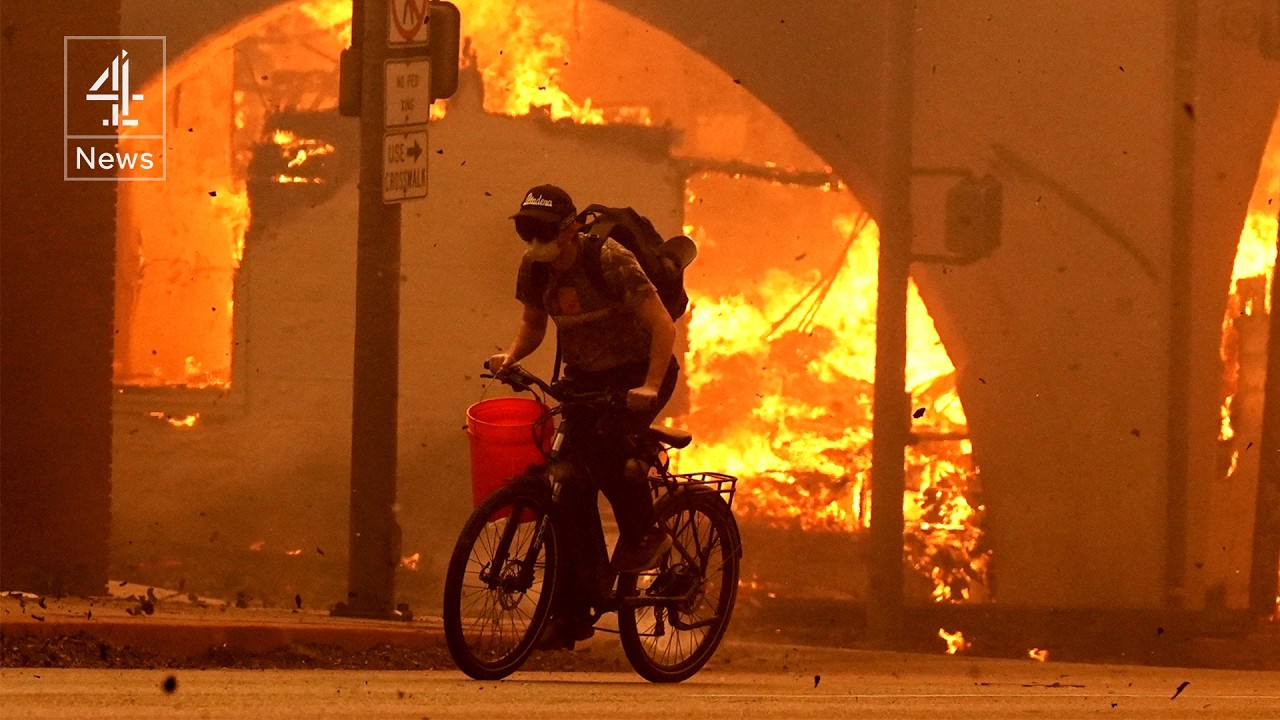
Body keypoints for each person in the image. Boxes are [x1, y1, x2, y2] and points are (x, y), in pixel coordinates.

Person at [488, 184, 678, 647]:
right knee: (568, 487)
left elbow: (662, 325)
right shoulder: (534, 267)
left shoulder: (608, 260)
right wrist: (511, 356)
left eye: (545, 231)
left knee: (611, 453)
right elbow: (533, 324)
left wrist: (650, 387)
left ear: (571, 228)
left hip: (638, 372)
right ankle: (575, 609)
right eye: (527, 232)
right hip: (584, 377)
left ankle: (645, 534)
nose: (536, 241)